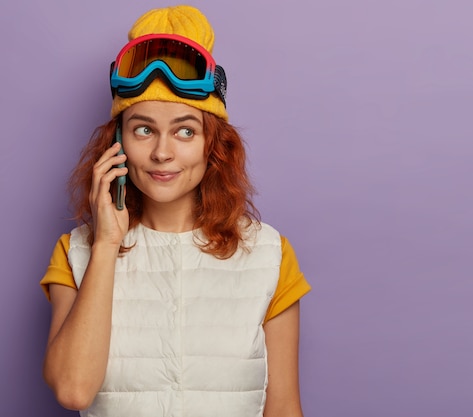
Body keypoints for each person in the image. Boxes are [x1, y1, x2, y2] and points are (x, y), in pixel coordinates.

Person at [40, 5, 311, 417]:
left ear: (213, 145)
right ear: (117, 143)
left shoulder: (270, 254)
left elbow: (284, 407)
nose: (162, 153)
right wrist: (107, 244)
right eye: (143, 129)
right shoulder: (76, 252)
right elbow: (74, 391)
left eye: (185, 130)